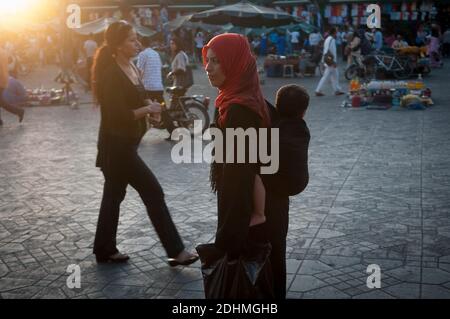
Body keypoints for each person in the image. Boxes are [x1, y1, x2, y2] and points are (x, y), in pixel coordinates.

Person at [91, 21, 199, 266]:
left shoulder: (131, 66)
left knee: (113, 196)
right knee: (153, 192)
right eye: (131, 40)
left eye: (136, 38)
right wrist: (147, 109)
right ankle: (176, 251)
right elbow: (115, 114)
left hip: (128, 142)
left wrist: (152, 113)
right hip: (116, 145)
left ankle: (103, 249)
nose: (137, 43)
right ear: (117, 45)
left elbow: (136, 104)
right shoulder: (111, 73)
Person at [203, 33, 274, 297]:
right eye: (208, 60)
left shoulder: (238, 110)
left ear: (234, 64)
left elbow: (238, 174)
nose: (208, 68)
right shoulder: (239, 97)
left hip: (242, 219)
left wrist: (229, 235)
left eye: (216, 62)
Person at [264, 84, 310, 299]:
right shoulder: (300, 129)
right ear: (303, 112)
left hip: (268, 194)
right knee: (276, 249)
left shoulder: (272, 129)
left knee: (269, 250)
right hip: (280, 198)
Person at [0, 41, 25, 126]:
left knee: (1, 102)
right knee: (0, 100)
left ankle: (19, 111)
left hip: (1, 78)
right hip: (4, 78)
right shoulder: (3, 52)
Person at [315, 27, 344, 97]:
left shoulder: (328, 39)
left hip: (328, 60)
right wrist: (333, 62)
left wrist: (324, 61)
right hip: (330, 61)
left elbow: (326, 51)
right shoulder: (331, 40)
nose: (337, 33)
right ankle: (318, 90)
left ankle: (337, 90)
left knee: (335, 75)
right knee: (328, 76)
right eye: (336, 31)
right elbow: (330, 52)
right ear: (334, 32)